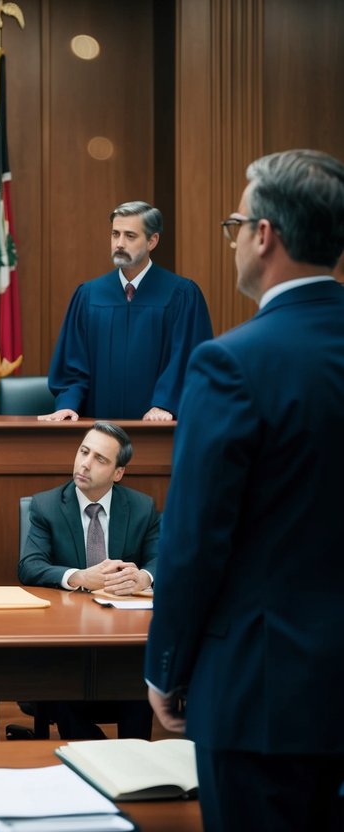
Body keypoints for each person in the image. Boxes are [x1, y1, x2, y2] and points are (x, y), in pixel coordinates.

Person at [146, 149, 344, 831]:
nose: (230, 237)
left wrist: (164, 667)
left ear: (264, 235)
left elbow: (194, 538)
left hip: (263, 696)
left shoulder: (231, 361)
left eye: (235, 221)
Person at [18, 421, 158, 740]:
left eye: (99, 459)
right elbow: (29, 566)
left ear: (118, 473)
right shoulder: (47, 505)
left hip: (122, 639)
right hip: (66, 638)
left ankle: (134, 764)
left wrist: (142, 578)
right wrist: (79, 577)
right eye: (84, 451)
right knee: (64, 685)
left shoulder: (141, 508)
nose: (85, 463)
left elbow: (162, 559)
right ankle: (94, 755)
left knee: (140, 679)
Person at [41, 201, 213, 421]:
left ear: (152, 241)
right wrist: (68, 404)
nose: (119, 243)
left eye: (130, 236)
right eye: (115, 234)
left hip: (158, 429)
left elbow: (187, 360)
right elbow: (72, 361)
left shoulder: (181, 295)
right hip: (96, 433)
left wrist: (164, 404)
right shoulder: (88, 295)